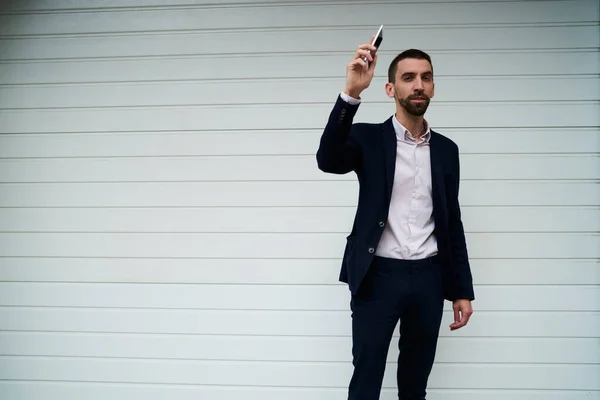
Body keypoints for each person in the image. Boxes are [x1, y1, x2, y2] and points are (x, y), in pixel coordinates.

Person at [316, 39, 475, 400]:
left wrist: (462, 289)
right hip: (377, 277)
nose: (418, 84)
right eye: (408, 77)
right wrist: (351, 94)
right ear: (391, 88)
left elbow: (453, 221)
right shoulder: (368, 138)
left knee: (415, 384)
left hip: (428, 278)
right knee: (367, 378)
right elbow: (327, 159)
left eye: (426, 77)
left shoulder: (447, 150)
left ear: (433, 86)